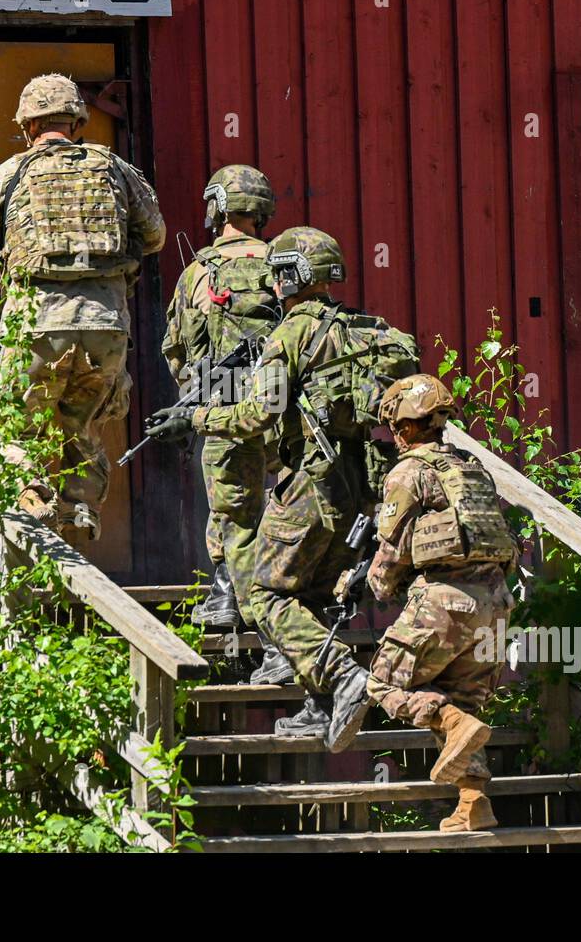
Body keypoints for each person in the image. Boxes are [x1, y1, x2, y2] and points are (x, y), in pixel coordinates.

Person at [148, 226, 418, 749]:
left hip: (309, 489)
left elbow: (257, 413)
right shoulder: (366, 327)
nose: (272, 285)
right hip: (359, 491)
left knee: (268, 594)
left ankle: (343, 676)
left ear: (291, 276)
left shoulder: (290, 334)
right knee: (313, 596)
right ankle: (320, 707)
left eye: (277, 274)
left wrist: (196, 418)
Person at [0, 73, 165, 539]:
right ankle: (81, 506)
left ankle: (31, 494)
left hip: (37, 322)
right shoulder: (114, 167)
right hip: (106, 324)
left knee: (10, 422)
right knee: (82, 419)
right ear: (77, 120)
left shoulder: (9, 174)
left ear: (28, 125)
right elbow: (154, 236)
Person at [363, 373, 518, 832]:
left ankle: (449, 720)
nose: (393, 436)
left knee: (382, 683)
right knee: (466, 701)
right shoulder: (471, 468)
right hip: (495, 603)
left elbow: (391, 555)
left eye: (394, 427)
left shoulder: (408, 471)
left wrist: (372, 585)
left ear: (407, 427)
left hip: (444, 601)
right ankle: (475, 804)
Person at [160, 165, 279, 630]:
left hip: (222, 402)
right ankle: (281, 607)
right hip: (281, 401)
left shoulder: (197, 274)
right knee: (285, 502)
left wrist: (197, 400)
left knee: (230, 507)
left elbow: (175, 351)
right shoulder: (283, 262)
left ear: (217, 207)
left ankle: (228, 597)